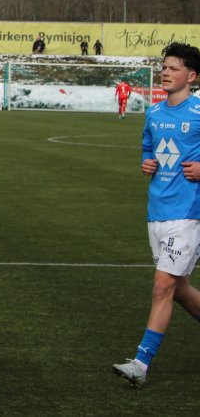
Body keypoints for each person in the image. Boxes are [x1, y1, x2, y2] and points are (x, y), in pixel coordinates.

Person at [112, 42, 200, 387]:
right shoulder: (154, 113)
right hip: (158, 211)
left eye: (174, 68)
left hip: (189, 213)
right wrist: (146, 162)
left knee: (162, 286)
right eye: (164, 66)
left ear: (191, 76)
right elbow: (149, 148)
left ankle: (140, 363)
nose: (165, 72)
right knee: (177, 289)